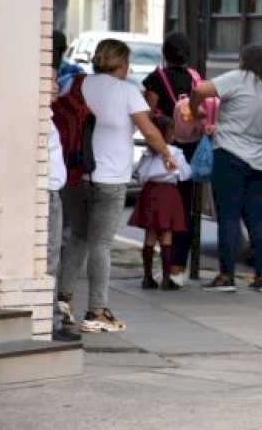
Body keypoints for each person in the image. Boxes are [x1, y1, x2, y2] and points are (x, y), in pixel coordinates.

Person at [57, 39, 177, 333]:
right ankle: (97, 310)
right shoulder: (127, 92)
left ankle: (63, 300)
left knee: (78, 237)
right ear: (122, 64)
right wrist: (167, 154)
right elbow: (149, 130)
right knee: (100, 244)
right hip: (109, 180)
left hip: (76, 176)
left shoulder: (77, 83)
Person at [191, 44, 262, 293]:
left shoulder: (240, 78)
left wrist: (195, 109)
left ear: (245, 61)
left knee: (229, 216)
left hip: (230, 155)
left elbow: (201, 89)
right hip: (261, 160)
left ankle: (226, 276)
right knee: (258, 218)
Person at [142, 32, 201, 286]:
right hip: (189, 150)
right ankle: (177, 267)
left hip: (163, 148)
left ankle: (151, 275)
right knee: (183, 210)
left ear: (165, 53)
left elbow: (148, 113)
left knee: (156, 215)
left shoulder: (157, 78)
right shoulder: (195, 78)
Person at [128, 115, 193, 290]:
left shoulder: (148, 154)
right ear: (168, 135)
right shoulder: (175, 152)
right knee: (167, 234)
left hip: (150, 192)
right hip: (169, 194)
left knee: (150, 235)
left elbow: (140, 175)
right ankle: (166, 278)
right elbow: (186, 174)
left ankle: (147, 277)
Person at [47, 67, 80, 342]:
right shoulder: (40, 119)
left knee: (53, 255)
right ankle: (51, 322)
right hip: (45, 194)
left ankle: (51, 318)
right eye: (50, 80)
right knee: (49, 258)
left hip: (51, 192)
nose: (56, 86)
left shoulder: (48, 117)